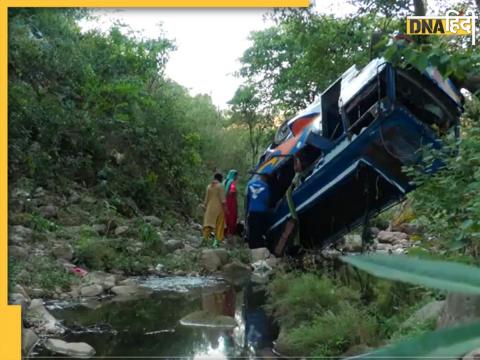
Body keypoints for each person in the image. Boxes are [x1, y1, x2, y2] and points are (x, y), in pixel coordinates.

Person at [246, 174, 271, 249]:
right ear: (265, 177)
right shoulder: (266, 186)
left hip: (252, 211)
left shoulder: (250, 184)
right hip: (262, 211)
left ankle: (252, 247)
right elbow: (267, 200)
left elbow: (248, 198)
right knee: (260, 230)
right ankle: (260, 246)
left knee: (252, 230)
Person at [203, 172, 227, 247]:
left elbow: (206, 200)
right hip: (219, 209)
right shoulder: (221, 186)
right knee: (219, 226)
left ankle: (205, 240)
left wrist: (205, 207)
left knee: (208, 225)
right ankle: (216, 243)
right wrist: (226, 209)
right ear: (220, 179)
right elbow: (223, 200)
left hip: (209, 209)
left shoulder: (209, 186)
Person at [224, 169, 238, 237]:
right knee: (232, 216)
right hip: (231, 202)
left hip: (224, 202)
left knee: (225, 216)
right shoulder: (232, 182)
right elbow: (232, 190)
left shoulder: (225, 181)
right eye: (236, 176)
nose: (237, 177)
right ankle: (230, 233)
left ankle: (224, 232)